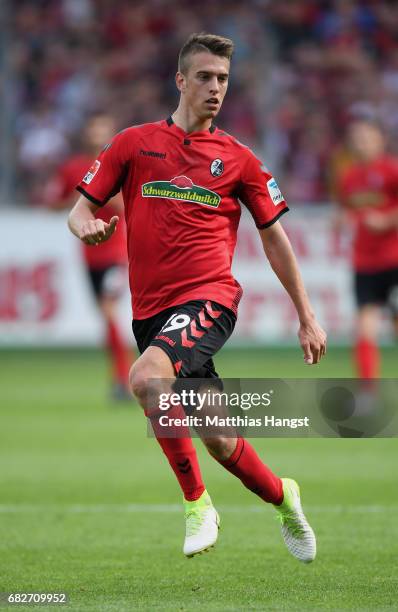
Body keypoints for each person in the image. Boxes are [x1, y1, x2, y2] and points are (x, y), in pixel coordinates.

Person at [68, 33, 326, 562]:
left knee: (143, 378)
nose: (216, 88)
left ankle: (197, 504)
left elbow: (274, 236)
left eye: (224, 79)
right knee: (218, 438)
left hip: (210, 300)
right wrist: (86, 227)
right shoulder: (132, 144)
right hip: (151, 312)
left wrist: (306, 314)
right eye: (205, 77)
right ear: (181, 80)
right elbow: (78, 210)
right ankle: (284, 497)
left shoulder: (239, 160)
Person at [45, 113, 133, 400]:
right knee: (106, 320)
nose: (98, 133)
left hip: (117, 254)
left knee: (109, 311)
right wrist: (79, 201)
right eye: (94, 127)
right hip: (89, 256)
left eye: (103, 128)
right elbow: (54, 204)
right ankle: (123, 375)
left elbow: (128, 206)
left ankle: (124, 378)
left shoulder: (121, 167)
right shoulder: (73, 168)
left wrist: (98, 196)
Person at [337, 119, 398, 379]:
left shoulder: (391, 170)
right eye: (357, 138)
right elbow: (348, 210)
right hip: (364, 263)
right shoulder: (349, 177)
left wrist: (386, 220)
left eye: (366, 137)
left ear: (379, 140)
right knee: (364, 329)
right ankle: (367, 392)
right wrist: (341, 220)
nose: (361, 143)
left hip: (394, 260)